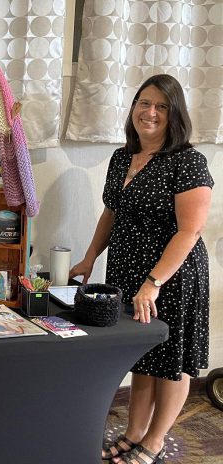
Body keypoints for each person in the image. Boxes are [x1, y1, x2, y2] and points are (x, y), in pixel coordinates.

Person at [69, 74, 213, 464]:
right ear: (133, 107)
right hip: (127, 274)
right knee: (143, 358)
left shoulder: (188, 162)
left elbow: (190, 230)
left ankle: (154, 441)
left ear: (174, 114)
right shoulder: (122, 157)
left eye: (161, 106)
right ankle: (133, 433)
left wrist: (153, 283)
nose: (150, 112)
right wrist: (90, 257)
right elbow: (111, 213)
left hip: (171, 277)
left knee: (172, 364)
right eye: (143, 103)